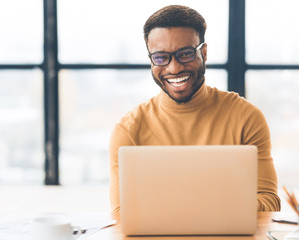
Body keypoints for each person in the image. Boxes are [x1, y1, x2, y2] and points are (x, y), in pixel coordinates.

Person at [109, 5, 280, 212]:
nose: (174, 68)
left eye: (185, 54)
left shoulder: (246, 117)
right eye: (161, 57)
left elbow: (270, 202)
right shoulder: (129, 130)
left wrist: (193, 208)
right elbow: (121, 214)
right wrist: (212, 206)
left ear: (204, 53)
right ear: (151, 61)